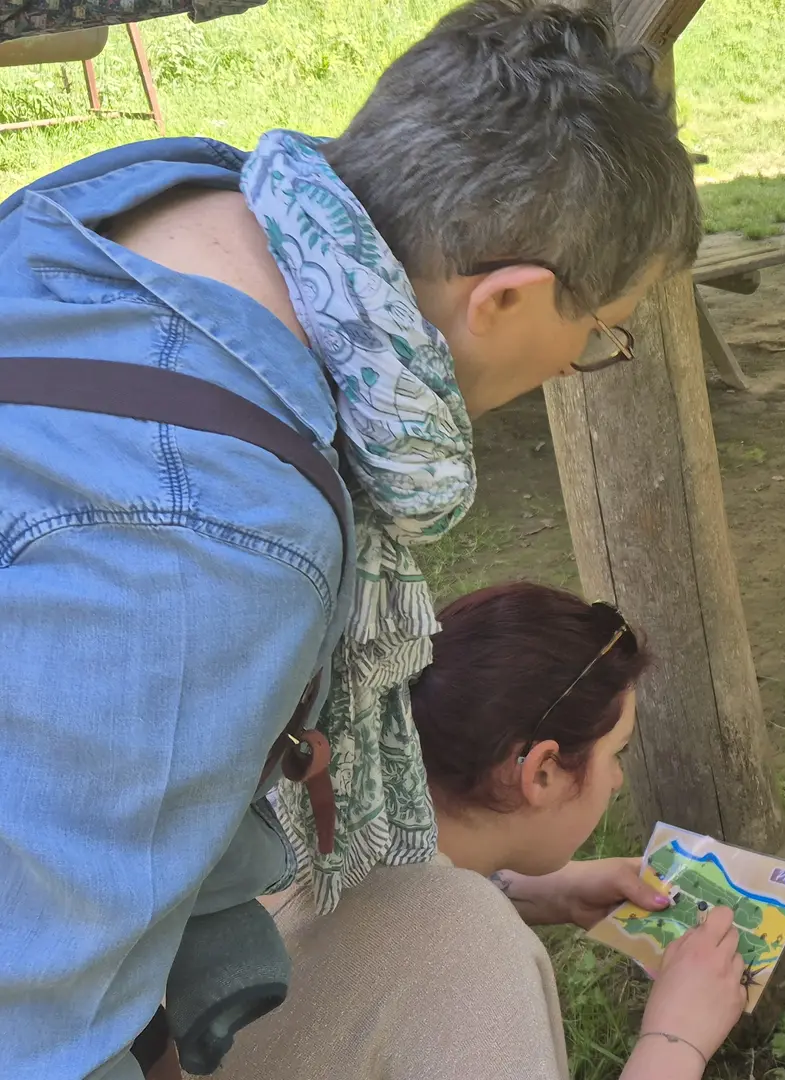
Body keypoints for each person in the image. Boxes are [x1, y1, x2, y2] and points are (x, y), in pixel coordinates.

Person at [0, 2, 701, 1076]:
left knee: (447, 926)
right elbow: (40, 1024)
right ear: (510, 298)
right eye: (598, 334)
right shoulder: (215, 545)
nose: (577, 364)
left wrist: (515, 887)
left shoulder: (150, 204)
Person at [213, 583, 746, 1080]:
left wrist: (533, 889)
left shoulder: (307, 816)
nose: (617, 780)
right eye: (617, 753)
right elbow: (433, 945)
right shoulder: (471, 958)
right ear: (542, 773)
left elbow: (385, 920)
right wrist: (675, 1039)